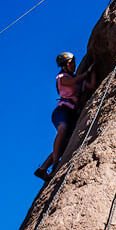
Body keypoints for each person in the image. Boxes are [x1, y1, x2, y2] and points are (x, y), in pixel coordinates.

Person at [34, 52, 96, 181]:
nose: (74, 65)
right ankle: (56, 162)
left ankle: (43, 169)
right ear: (65, 65)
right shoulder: (62, 77)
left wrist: (93, 72)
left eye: (73, 62)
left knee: (65, 144)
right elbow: (73, 81)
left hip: (72, 114)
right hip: (62, 112)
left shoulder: (79, 81)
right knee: (63, 129)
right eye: (71, 63)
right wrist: (86, 73)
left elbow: (91, 86)